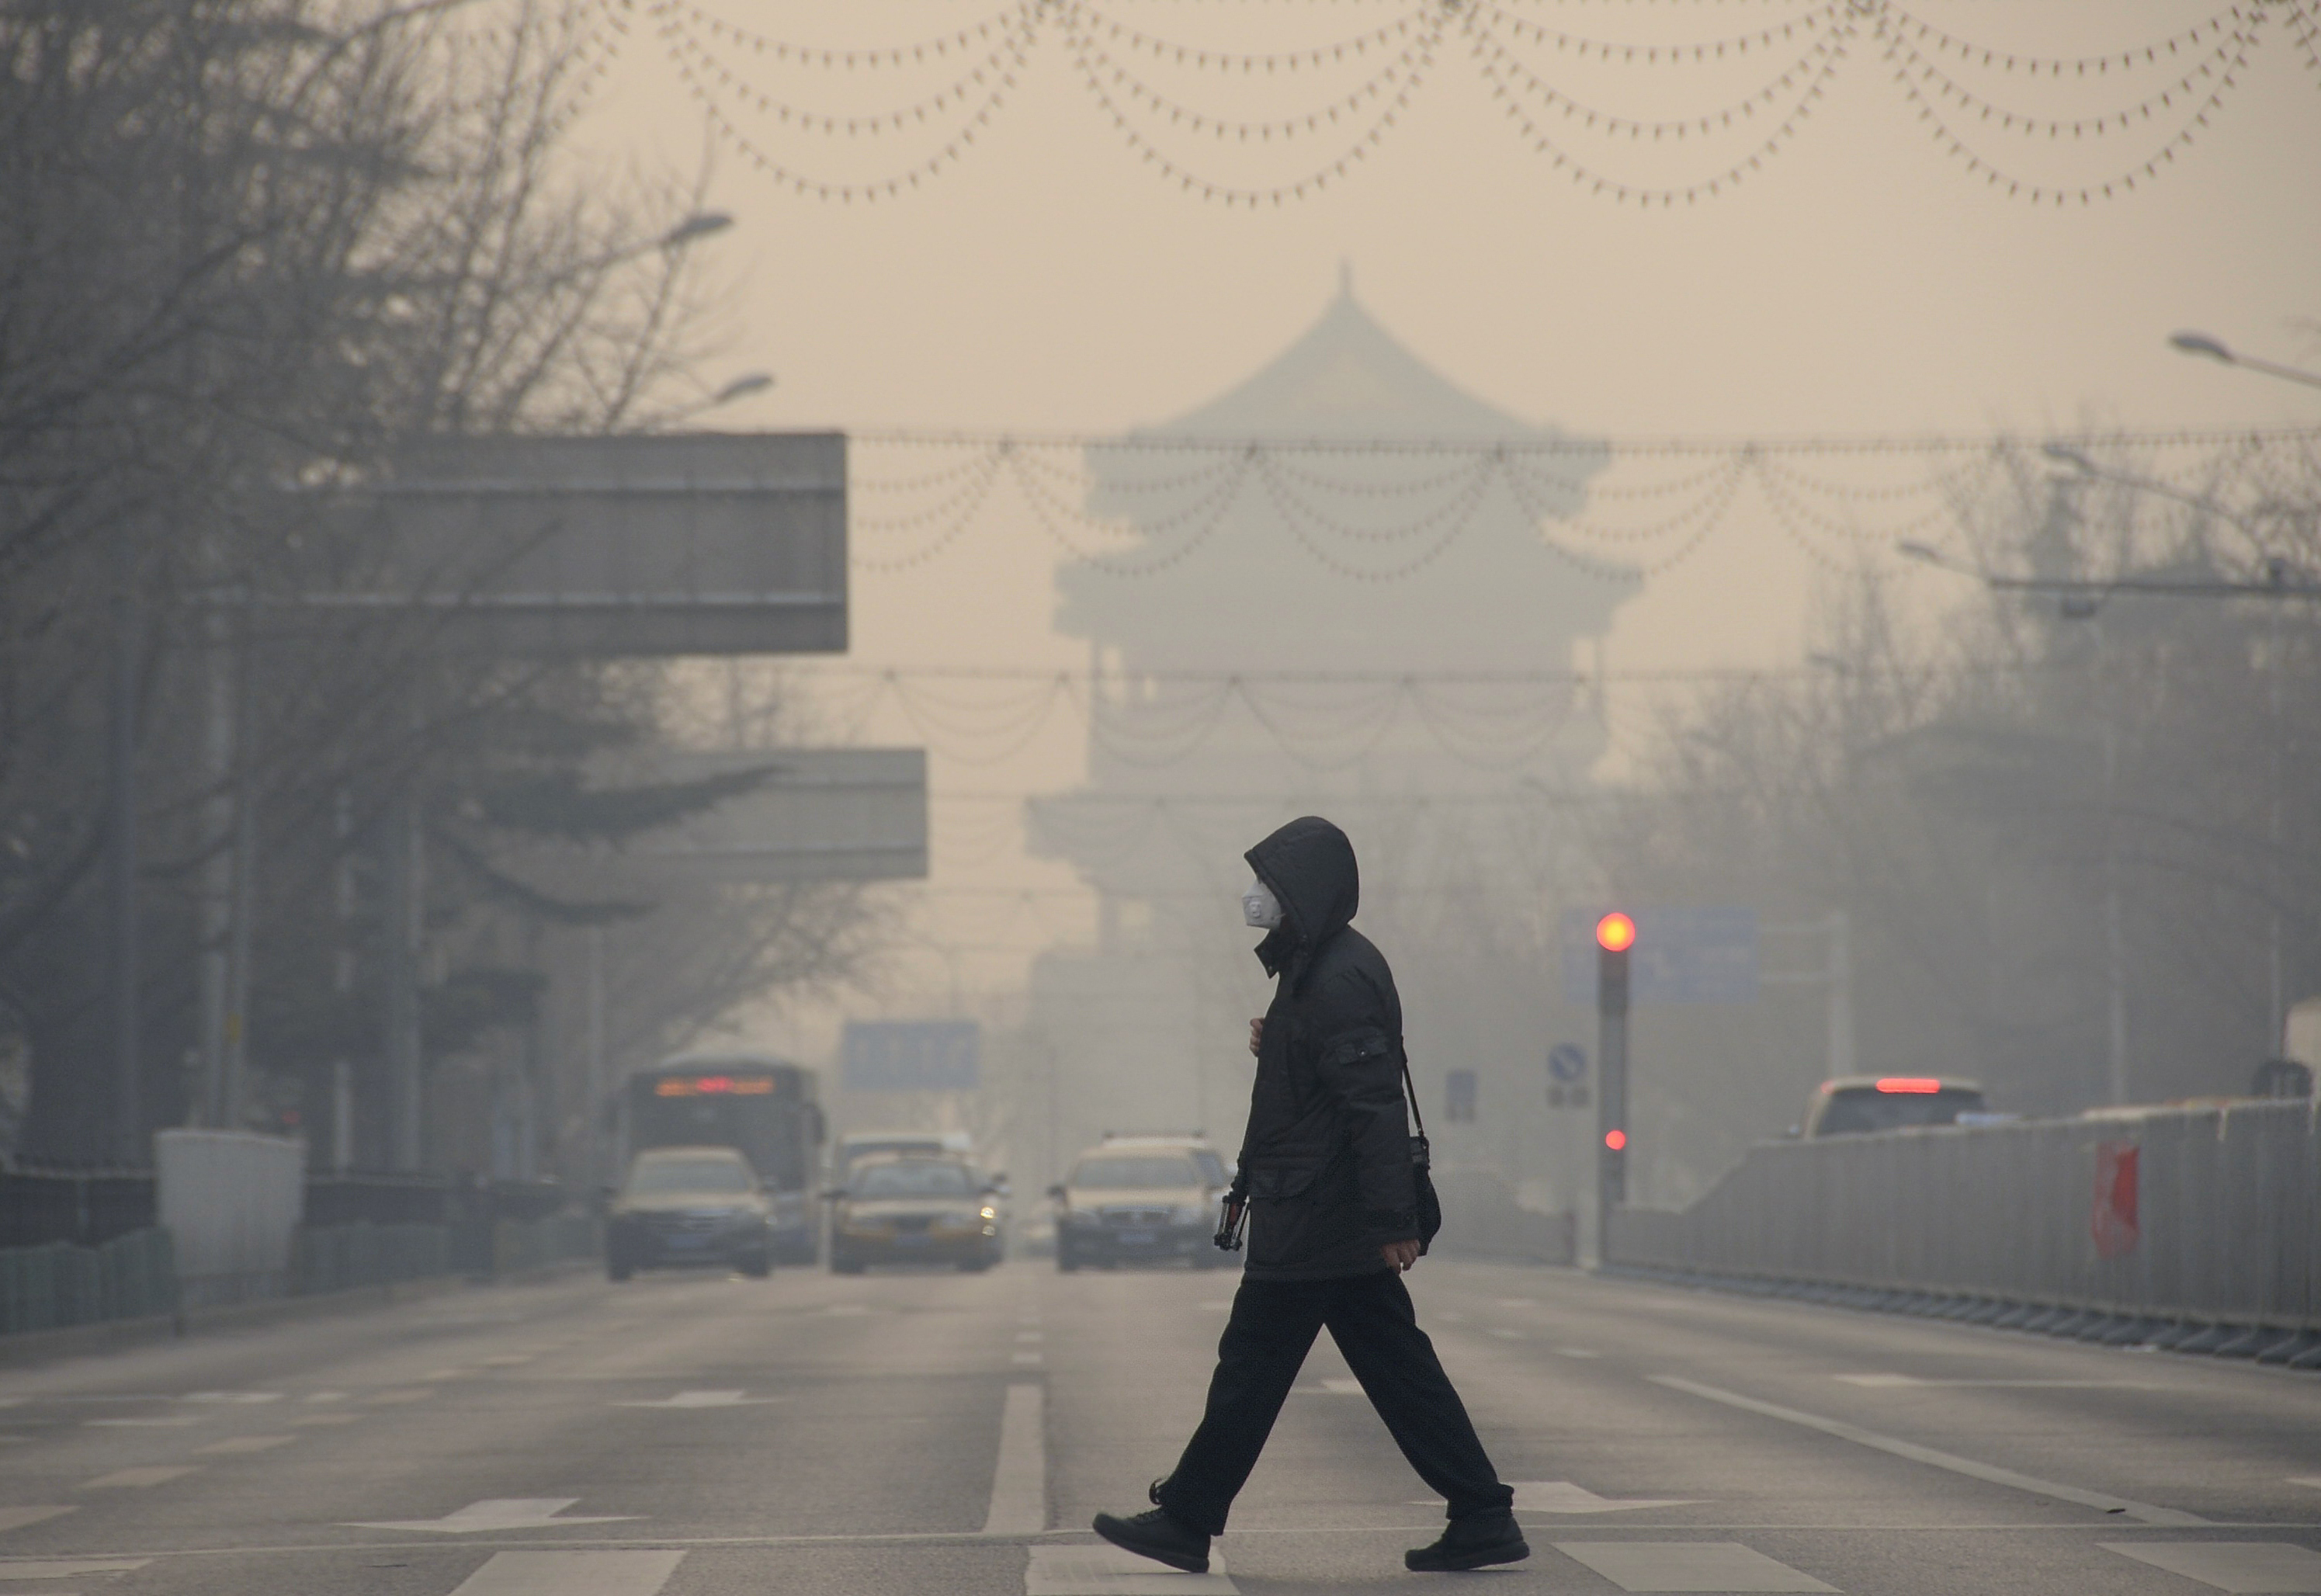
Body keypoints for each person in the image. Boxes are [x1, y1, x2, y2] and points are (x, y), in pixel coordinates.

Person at [1092, 816, 1528, 1575]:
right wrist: (1281, 1037)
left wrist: (1393, 1219)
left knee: (1254, 1366)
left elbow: (1372, 1103)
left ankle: (1188, 1516)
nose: (1256, 897)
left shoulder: (1334, 975)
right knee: (1393, 1370)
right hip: (1318, 1210)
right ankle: (1481, 1511)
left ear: (1307, 892)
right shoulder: (1314, 970)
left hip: (1322, 1217)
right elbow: (1328, 1083)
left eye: (1270, 885)